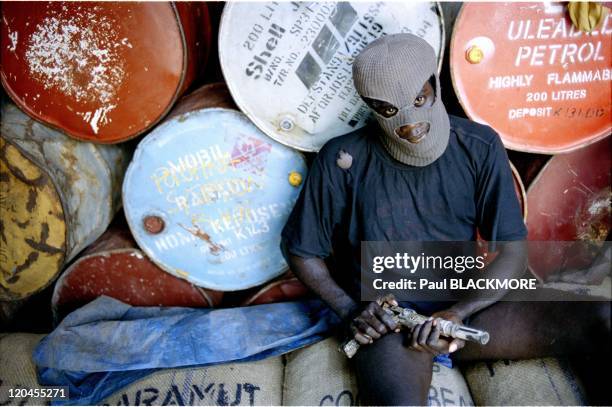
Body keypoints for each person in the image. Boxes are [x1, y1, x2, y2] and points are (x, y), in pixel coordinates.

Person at [281, 34, 610, 405]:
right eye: (388, 110)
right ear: (370, 106)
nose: (408, 124)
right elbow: (301, 250)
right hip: (391, 324)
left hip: (468, 310)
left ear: (435, 83)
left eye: (419, 100)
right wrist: (351, 312)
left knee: (603, 316)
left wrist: (459, 311)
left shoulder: (479, 146)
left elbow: (513, 254)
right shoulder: (342, 159)